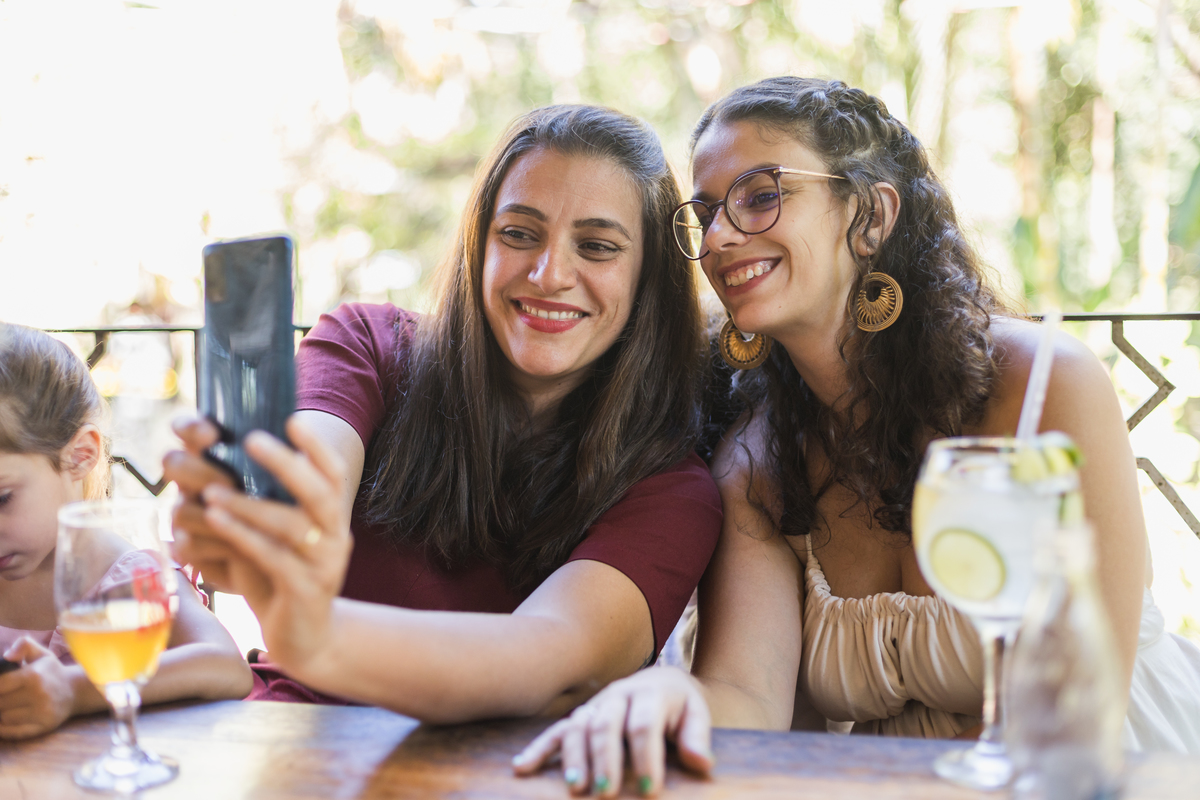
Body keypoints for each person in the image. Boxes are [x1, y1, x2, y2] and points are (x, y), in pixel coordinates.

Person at [513, 77, 1200, 796]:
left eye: (759, 195)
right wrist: (661, 698)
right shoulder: (756, 461)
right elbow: (750, 698)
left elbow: (1079, 706)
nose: (719, 236)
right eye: (708, 212)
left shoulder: (1042, 387)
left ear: (871, 214)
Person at [164, 105, 723, 728]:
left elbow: (542, 661)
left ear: (649, 278)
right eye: (518, 233)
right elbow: (311, 472)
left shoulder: (673, 491)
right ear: (478, 241)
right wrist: (268, 517)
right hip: (294, 739)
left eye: (596, 246)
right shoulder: (367, 343)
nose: (549, 274)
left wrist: (317, 632)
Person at [0, 323, 252, 740]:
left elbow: (227, 666)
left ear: (80, 457)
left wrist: (71, 691)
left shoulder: (126, 578)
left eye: (2, 498)